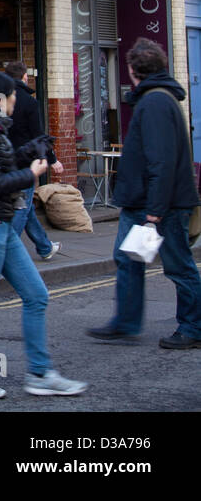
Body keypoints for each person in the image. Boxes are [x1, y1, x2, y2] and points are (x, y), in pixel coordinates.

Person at [0, 70, 86, 398]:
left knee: (36, 294)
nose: (15, 100)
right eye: (11, 95)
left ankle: (39, 373)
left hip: (0, 224)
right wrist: (31, 173)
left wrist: (27, 153)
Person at [88, 38, 201, 349]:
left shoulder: (154, 102)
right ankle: (125, 323)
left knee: (178, 266)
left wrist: (155, 210)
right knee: (127, 259)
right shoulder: (157, 99)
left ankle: (194, 327)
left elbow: (161, 161)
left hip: (159, 205)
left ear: (132, 69)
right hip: (142, 201)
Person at [4, 61, 60, 261]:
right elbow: (38, 135)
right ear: (25, 76)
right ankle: (7, 250)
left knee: (25, 208)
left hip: (3, 159)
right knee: (22, 206)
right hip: (25, 163)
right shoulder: (29, 101)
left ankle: (44, 247)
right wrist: (52, 159)